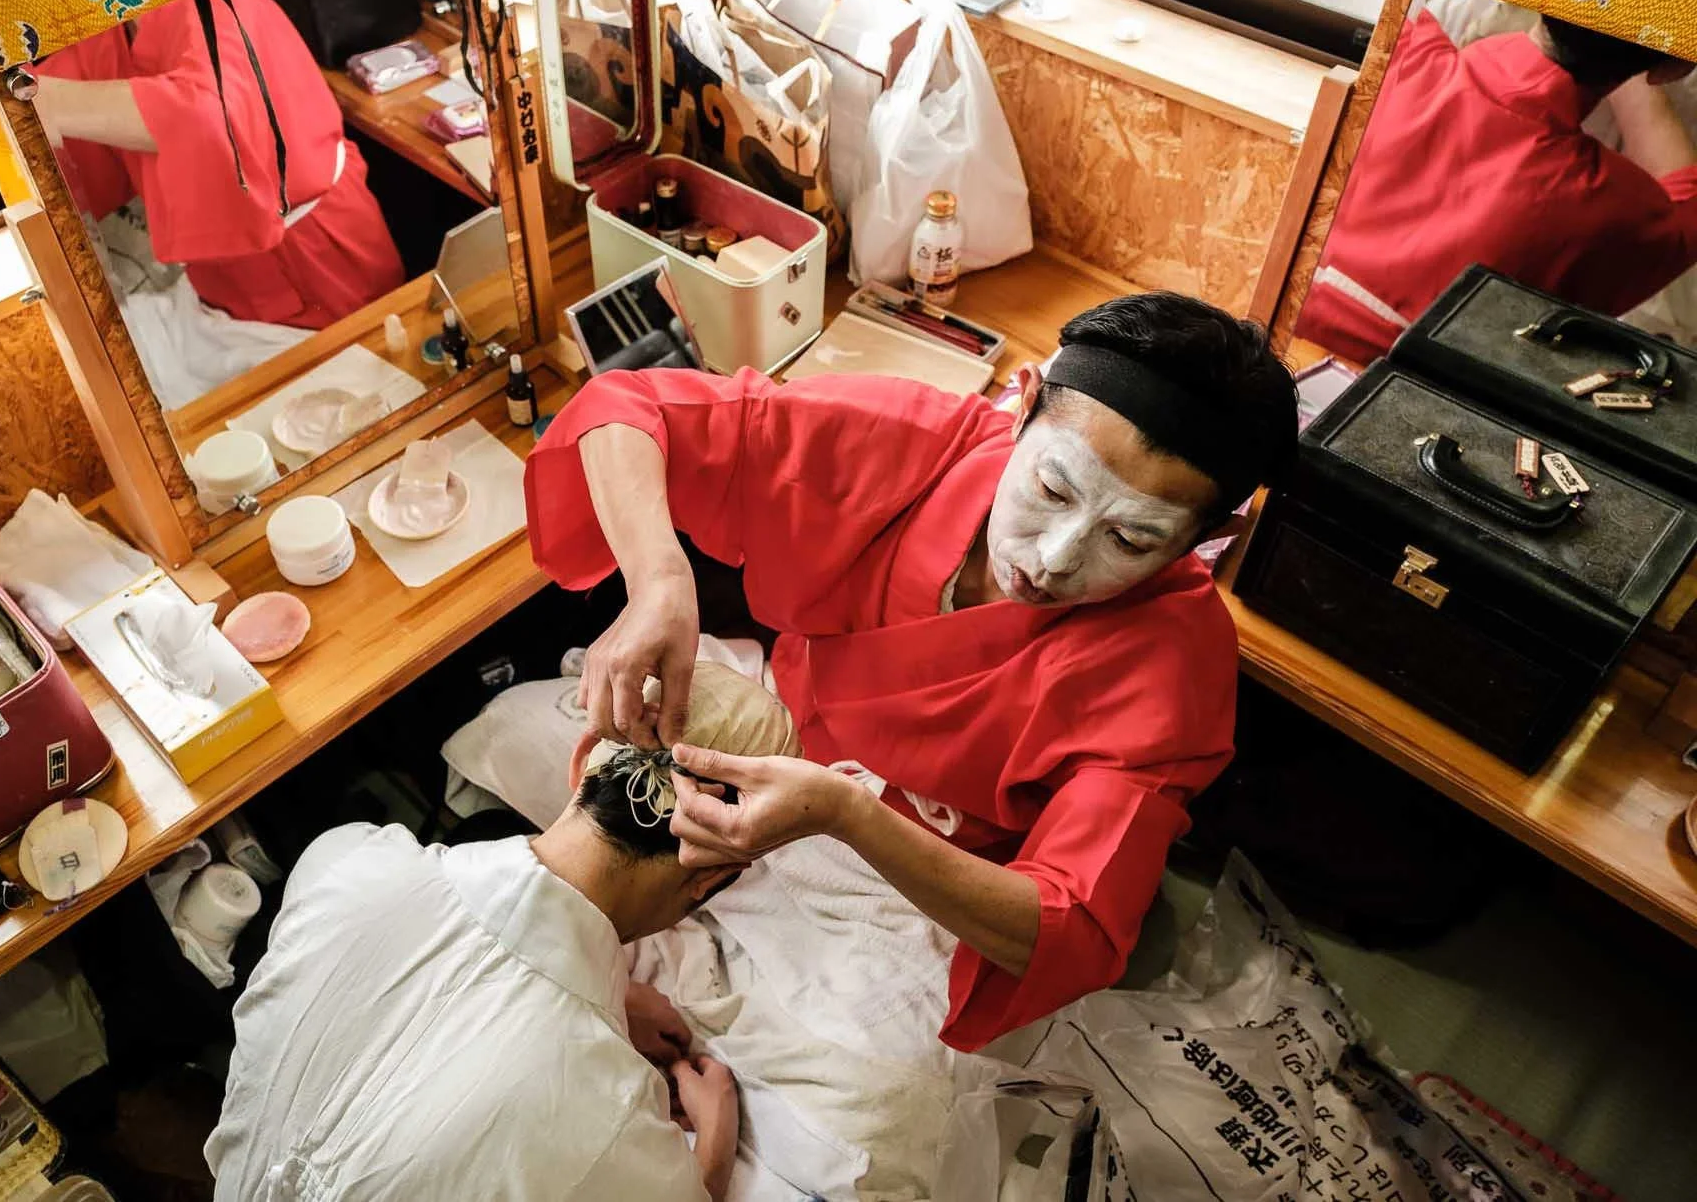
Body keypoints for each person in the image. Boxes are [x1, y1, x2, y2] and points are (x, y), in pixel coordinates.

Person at [524, 292, 1299, 1052]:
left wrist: (847, 814)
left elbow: (1072, 924)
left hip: (932, 872)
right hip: (785, 737)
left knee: (868, 1113)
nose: (1052, 559)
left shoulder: (1173, 666)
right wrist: (660, 579)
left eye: (1131, 540)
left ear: (1212, 536)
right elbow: (628, 409)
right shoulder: (912, 444)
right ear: (1022, 403)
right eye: (1052, 488)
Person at [205, 713, 752, 1199]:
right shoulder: (605, 1119)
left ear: (582, 759)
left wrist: (608, 993)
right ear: (711, 875)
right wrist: (716, 1134)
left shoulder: (347, 859)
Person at [1295, 11, 1697, 363]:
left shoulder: (1400, 45)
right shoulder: (1604, 208)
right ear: (1673, 70)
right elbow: (1688, 205)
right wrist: (1636, 52)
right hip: (1390, 405)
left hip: (1252, 335)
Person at [32, 0, 404, 329]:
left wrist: (45, 100)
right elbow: (62, 133)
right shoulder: (111, 23)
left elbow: (206, 116)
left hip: (315, 254)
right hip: (218, 277)